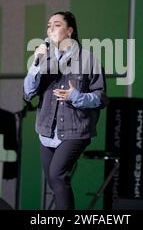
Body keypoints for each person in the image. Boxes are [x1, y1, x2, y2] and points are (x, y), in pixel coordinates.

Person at [23, 11, 108, 210]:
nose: (50, 28)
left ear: (69, 31)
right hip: (46, 131)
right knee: (55, 182)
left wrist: (76, 96)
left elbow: (101, 97)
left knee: (57, 175)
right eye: (48, 25)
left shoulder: (88, 59)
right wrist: (35, 62)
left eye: (57, 25)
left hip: (76, 130)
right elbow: (28, 92)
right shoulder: (43, 61)